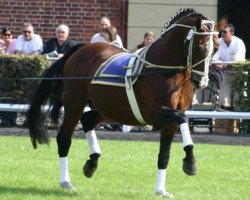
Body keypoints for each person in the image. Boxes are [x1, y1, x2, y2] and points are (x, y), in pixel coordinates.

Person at [212, 24, 246, 110]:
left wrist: (222, 65)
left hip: (240, 74)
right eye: (221, 32)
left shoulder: (239, 43)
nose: (222, 34)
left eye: (225, 32)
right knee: (223, 101)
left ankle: (238, 121)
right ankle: (225, 119)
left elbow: (238, 61)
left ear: (231, 33)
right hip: (226, 74)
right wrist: (218, 64)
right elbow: (214, 58)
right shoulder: (219, 42)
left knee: (238, 100)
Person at [0, 27, 18, 127]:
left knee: (13, 96)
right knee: (2, 96)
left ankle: (12, 119)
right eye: (5, 35)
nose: (7, 37)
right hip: (2, 75)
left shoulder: (15, 42)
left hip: (13, 75)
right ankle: (3, 120)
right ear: (2, 36)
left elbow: (17, 55)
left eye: (9, 35)